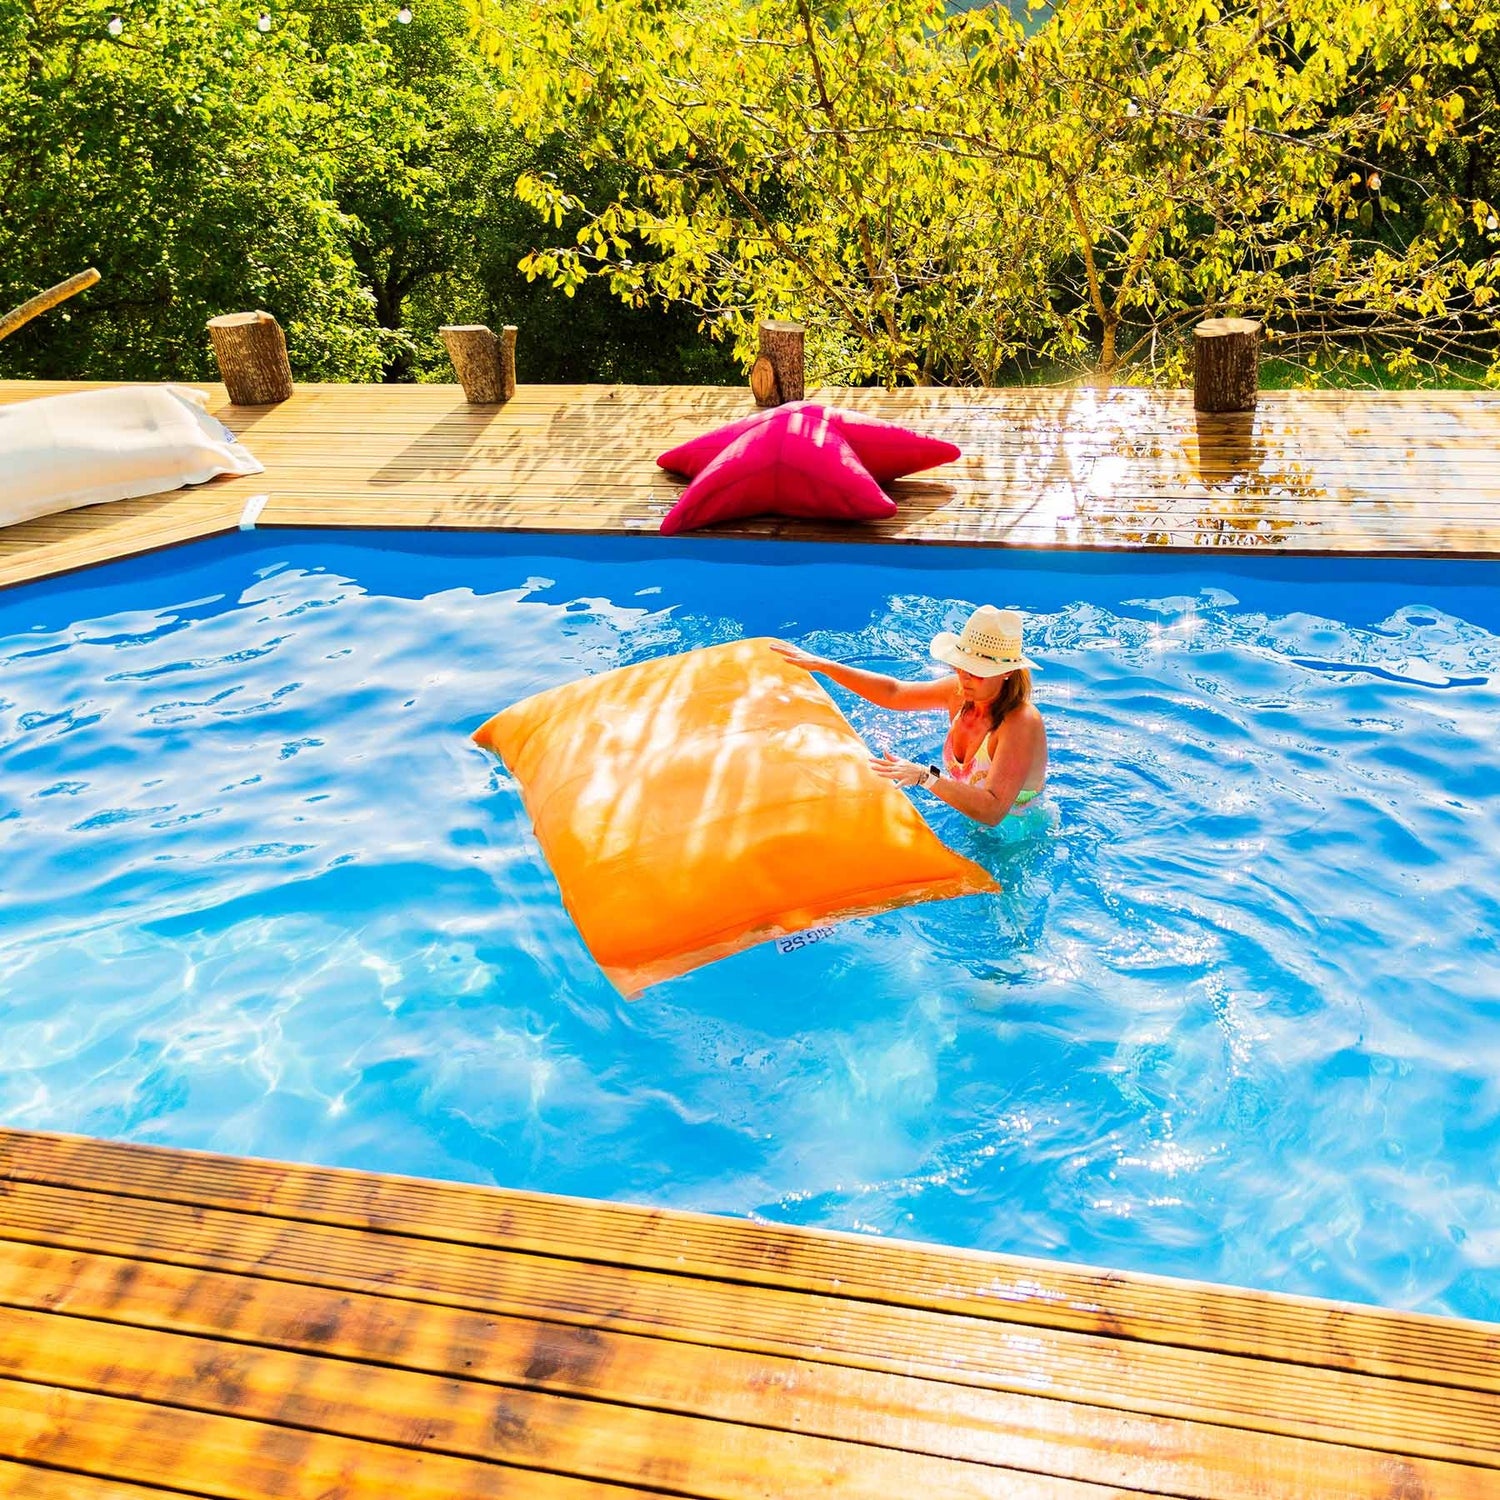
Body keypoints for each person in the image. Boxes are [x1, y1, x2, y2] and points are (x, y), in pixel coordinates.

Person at [772, 605, 1047, 827]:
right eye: (962, 665)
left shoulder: (1021, 722)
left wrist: (925, 777)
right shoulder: (960, 691)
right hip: (970, 821)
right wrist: (825, 666)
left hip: (1019, 836)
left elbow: (993, 811)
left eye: (977, 670)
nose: (964, 676)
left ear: (1007, 672)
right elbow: (894, 692)